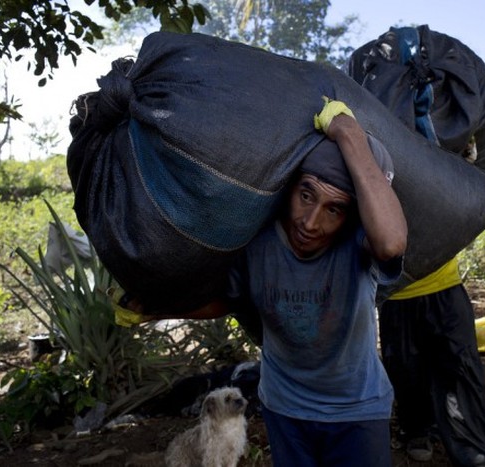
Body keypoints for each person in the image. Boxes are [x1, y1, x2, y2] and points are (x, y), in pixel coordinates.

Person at [118, 97, 408, 467]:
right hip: (285, 408)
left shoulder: (358, 245)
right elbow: (231, 300)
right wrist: (155, 307)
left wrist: (349, 132)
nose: (310, 222)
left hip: (356, 411)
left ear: (350, 217)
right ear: (289, 188)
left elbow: (391, 242)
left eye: (333, 209)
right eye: (306, 195)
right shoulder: (258, 240)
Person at [348, 25, 485, 466]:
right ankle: (417, 430)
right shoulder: (376, 156)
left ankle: (470, 448)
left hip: (444, 281)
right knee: (405, 370)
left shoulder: (445, 152)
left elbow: (482, 185)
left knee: (459, 368)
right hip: (395, 289)